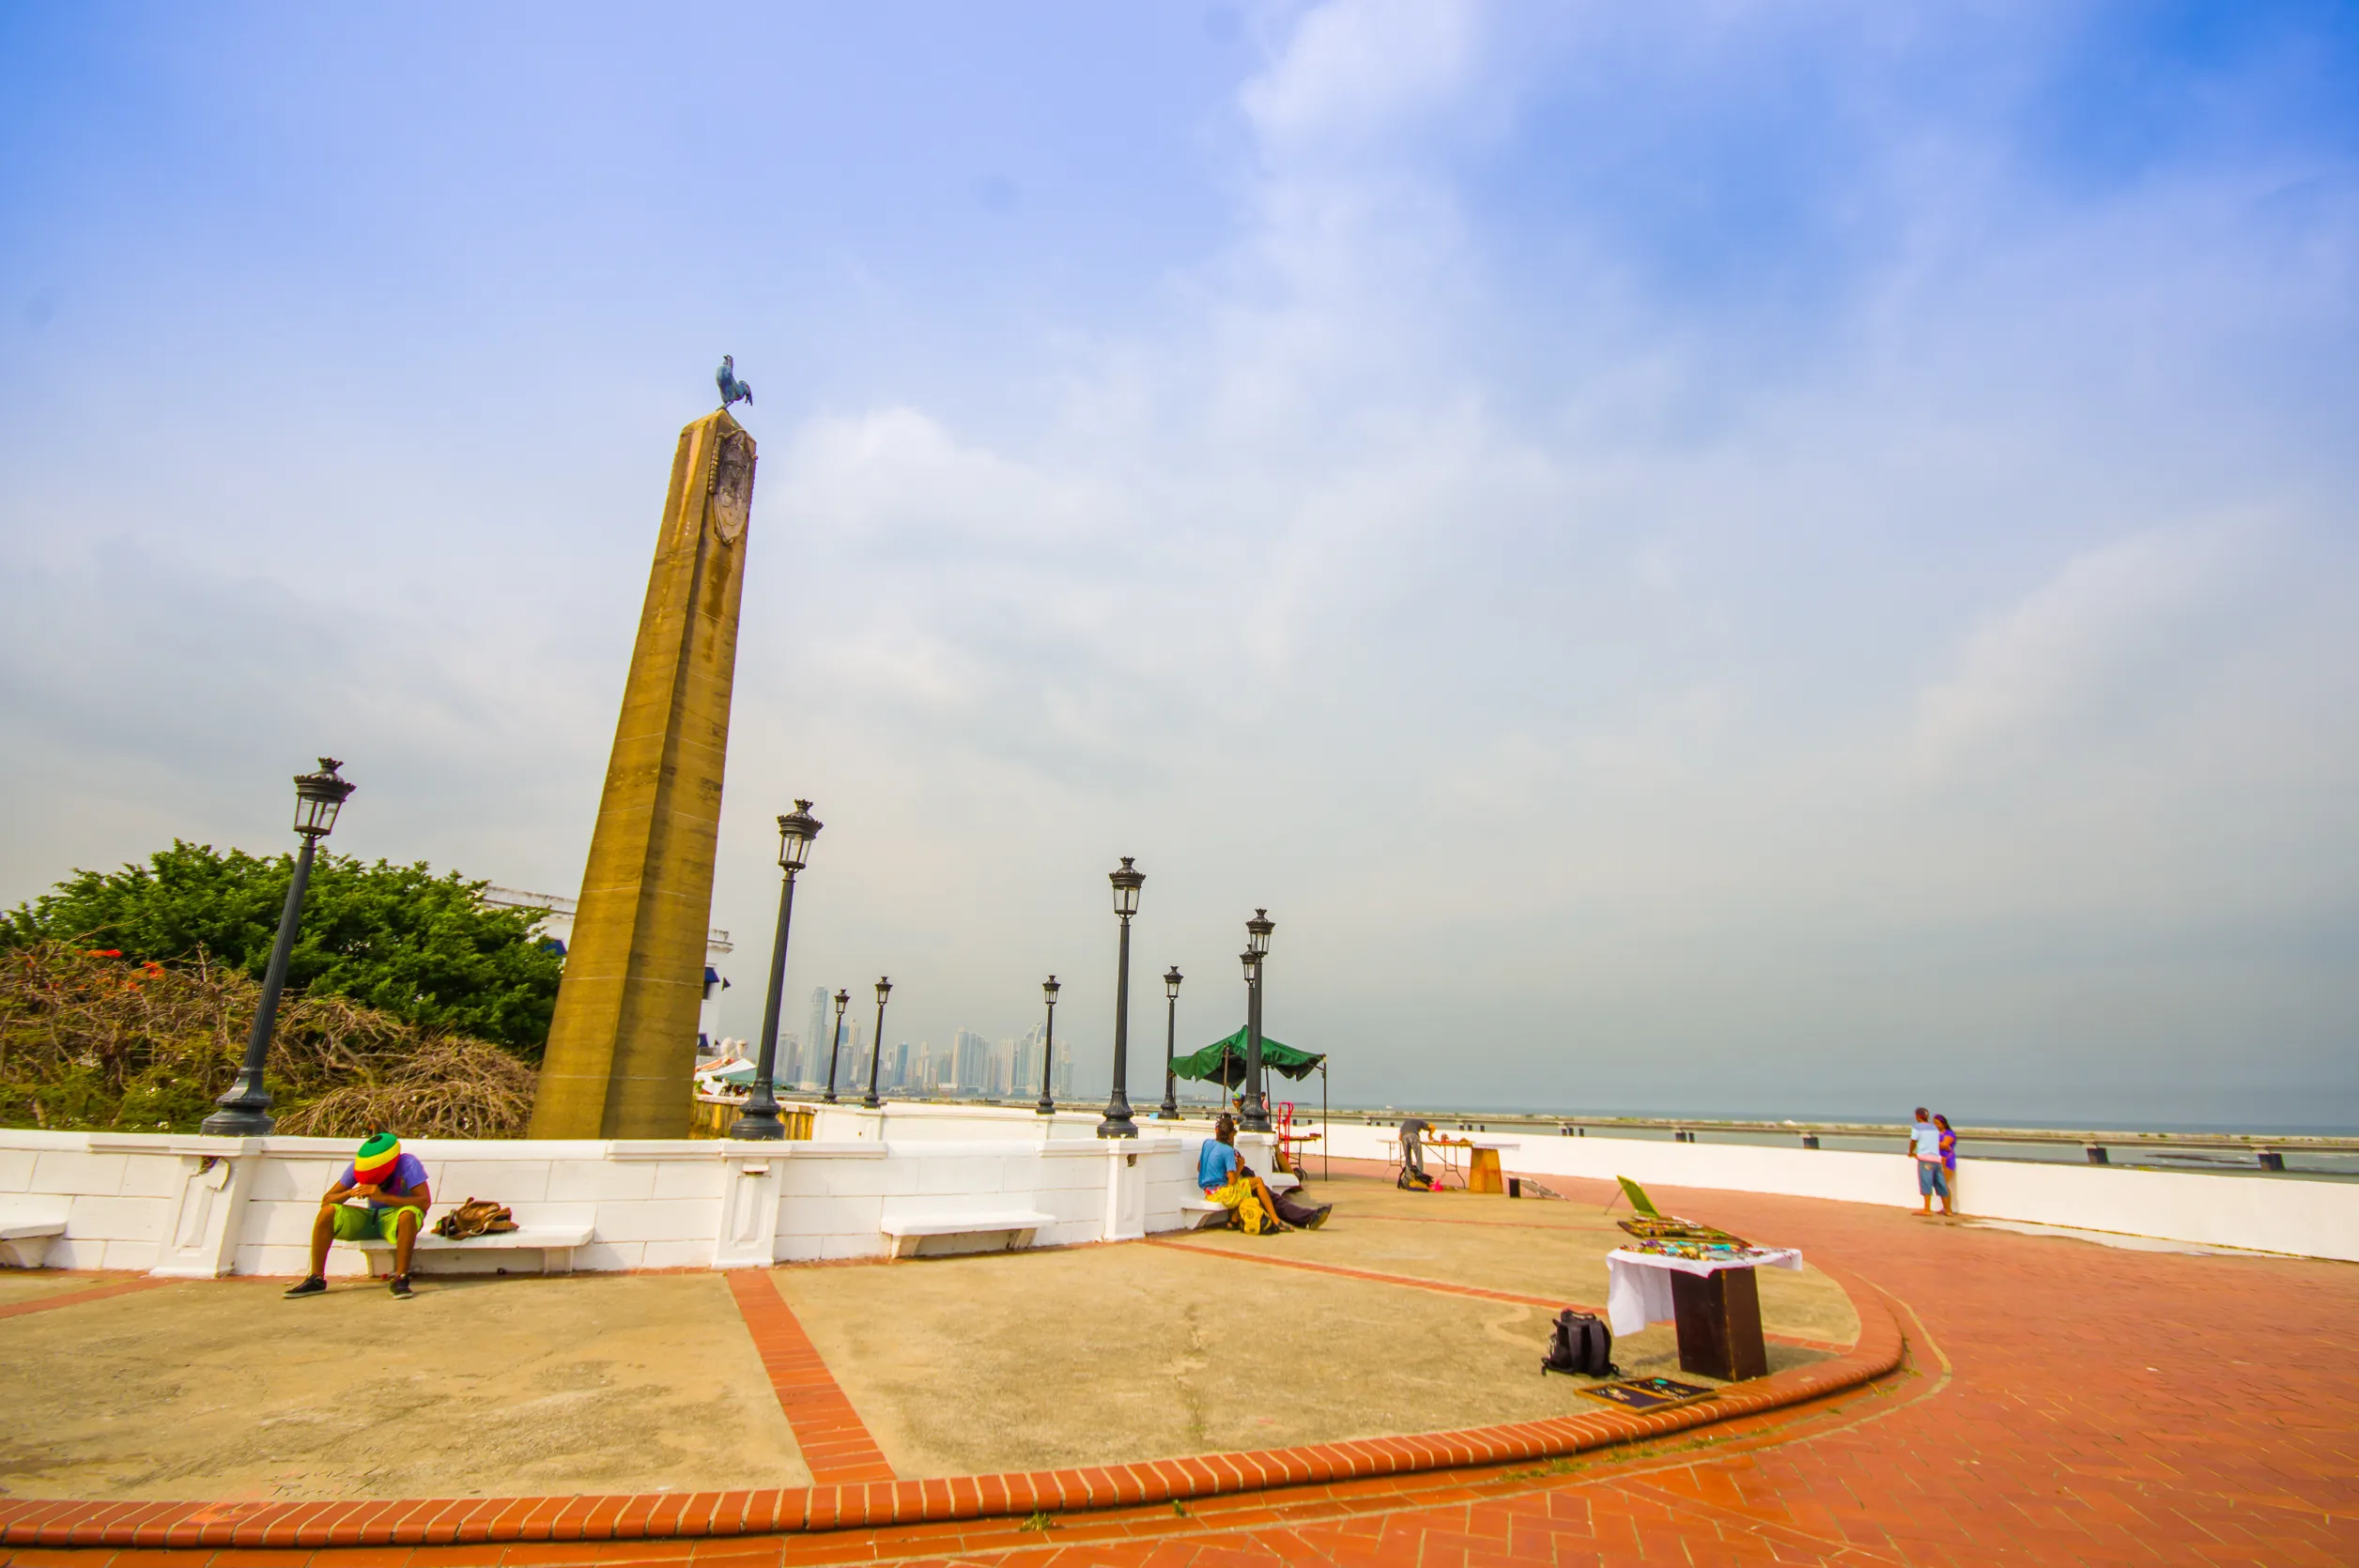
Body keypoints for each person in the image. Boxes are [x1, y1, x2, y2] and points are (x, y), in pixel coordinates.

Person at [285, 1131, 433, 1299]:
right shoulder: (357, 1166)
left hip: (397, 1218)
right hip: (371, 1217)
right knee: (328, 1211)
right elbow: (327, 1200)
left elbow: (424, 1202)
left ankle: (401, 1278)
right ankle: (316, 1278)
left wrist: (383, 1198)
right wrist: (349, 1193)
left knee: (408, 1215)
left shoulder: (408, 1163)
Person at [1199, 1115, 1329, 1232]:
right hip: (1224, 1190)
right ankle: (1285, 1220)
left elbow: (1200, 1168)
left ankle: (1234, 1221)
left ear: (1217, 1131)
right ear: (1231, 1134)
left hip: (1211, 1189)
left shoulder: (1207, 1144)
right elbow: (1232, 1180)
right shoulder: (1227, 1151)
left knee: (1270, 1196)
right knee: (1268, 1194)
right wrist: (1239, 1167)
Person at [1910, 1107, 1951, 1217]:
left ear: (1918, 1116)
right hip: (1936, 1159)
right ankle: (1948, 1210)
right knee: (1941, 1184)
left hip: (1925, 1159)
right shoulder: (1934, 1128)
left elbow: (1913, 1140)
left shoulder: (1917, 1127)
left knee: (1926, 1182)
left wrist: (1911, 1152)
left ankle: (1927, 1209)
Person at [1398, 1115, 1434, 1188]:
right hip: (1413, 1136)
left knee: (1408, 1159)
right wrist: (1430, 1134)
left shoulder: (1405, 1123)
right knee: (1419, 1157)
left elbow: (1399, 1137)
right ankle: (1420, 1179)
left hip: (1404, 1137)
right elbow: (1432, 1127)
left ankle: (1408, 1178)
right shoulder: (1420, 1122)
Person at [1935, 1113, 1960, 1213]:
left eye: (1938, 1123)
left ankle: (1949, 1209)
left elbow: (1945, 1145)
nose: (1936, 1125)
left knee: (1943, 1183)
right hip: (1938, 1160)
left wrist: (1933, 1143)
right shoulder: (1935, 1134)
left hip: (1947, 1160)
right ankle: (1944, 1207)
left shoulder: (1949, 1133)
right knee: (1939, 1184)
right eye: (1935, 1123)